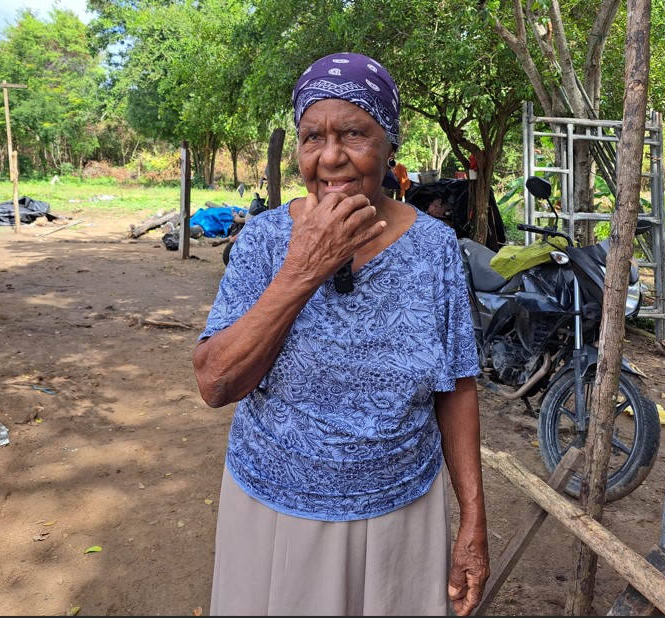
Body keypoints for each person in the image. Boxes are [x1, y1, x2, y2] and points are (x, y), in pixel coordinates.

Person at [192, 52, 489, 616]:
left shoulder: (435, 249)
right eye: (312, 137)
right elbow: (216, 383)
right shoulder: (262, 243)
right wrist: (303, 268)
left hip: (401, 510)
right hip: (276, 511)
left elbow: (456, 385)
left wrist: (473, 519)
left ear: (390, 144)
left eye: (354, 133)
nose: (331, 157)